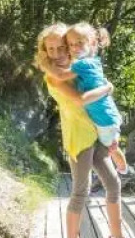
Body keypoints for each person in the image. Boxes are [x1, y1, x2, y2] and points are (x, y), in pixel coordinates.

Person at [35, 23, 132, 238]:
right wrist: (108, 87)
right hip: (79, 138)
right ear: (45, 52)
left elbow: (95, 93)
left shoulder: (79, 67)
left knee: (113, 183)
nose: (58, 53)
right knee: (81, 191)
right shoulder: (54, 77)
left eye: (63, 47)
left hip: (97, 134)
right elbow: (79, 100)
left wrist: (109, 131)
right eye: (52, 49)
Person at [41, 22, 128, 175]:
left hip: (102, 117)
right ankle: (122, 166)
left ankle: (122, 166)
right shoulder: (92, 61)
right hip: (101, 117)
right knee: (111, 148)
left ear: (91, 43)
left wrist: (44, 63)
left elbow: (62, 78)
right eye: (72, 44)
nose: (75, 48)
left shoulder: (82, 64)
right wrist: (108, 88)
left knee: (110, 146)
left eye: (79, 43)